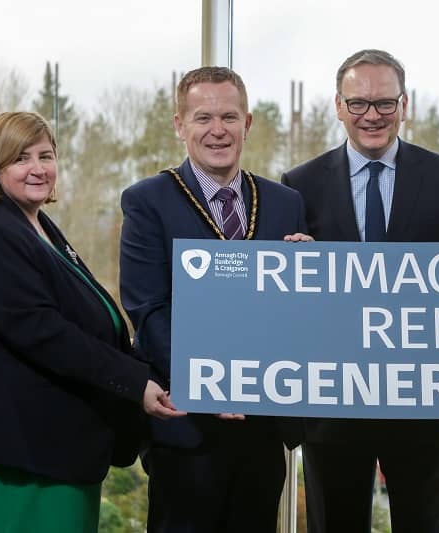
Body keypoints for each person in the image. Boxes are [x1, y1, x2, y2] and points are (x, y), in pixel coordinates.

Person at [0, 111, 180, 533]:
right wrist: (134, 381)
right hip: (20, 443)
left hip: (54, 439)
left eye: (46, 156)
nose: (38, 169)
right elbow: (45, 334)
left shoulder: (35, 225)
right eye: (21, 158)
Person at [281, 49, 439, 533]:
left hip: (424, 404)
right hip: (333, 408)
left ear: (404, 105)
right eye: (359, 103)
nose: (372, 115)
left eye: (385, 103)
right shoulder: (298, 186)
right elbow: (287, 303)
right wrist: (292, 264)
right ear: (338, 106)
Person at [119, 65, 310, 533]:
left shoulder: (285, 203)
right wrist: (212, 383)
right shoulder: (148, 201)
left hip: (263, 427)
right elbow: (148, 309)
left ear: (248, 123)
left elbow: (297, 314)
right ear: (180, 125)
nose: (217, 130)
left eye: (229, 117)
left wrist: (311, 275)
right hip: (187, 427)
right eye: (203, 118)